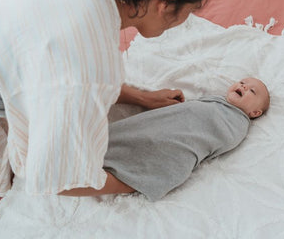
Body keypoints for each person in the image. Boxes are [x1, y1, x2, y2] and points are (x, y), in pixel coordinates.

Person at [0, 0, 211, 225]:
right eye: (189, 12)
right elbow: (57, 177)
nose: (186, 21)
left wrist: (137, 95)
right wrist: (138, 178)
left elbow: (57, 63)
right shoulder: (87, 70)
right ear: (165, 6)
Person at [60, 78, 270, 200]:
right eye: (242, 82)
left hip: (179, 148)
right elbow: (185, 114)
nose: (243, 86)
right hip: (163, 128)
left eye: (252, 91)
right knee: (128, 136)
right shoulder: (214, 101)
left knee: (135, 175)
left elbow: (216, 140)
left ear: (255, 113)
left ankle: (67, 183)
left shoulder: (238, 124)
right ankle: (75, 157)